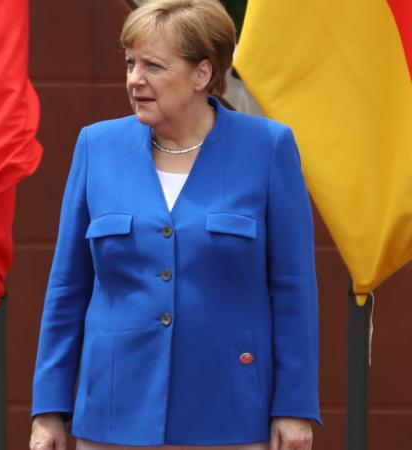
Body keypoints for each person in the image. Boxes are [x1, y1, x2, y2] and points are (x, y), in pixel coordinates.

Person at [29, 1, 320, 449]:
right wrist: (48, 410)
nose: (134, 79)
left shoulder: (267, 147)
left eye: (154, 66)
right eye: (130, 63)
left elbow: (293, 287)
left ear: (202, 74)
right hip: (112, 413)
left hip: (229, 412)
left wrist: (295, 406)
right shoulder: (97, 146)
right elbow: (67, 287)